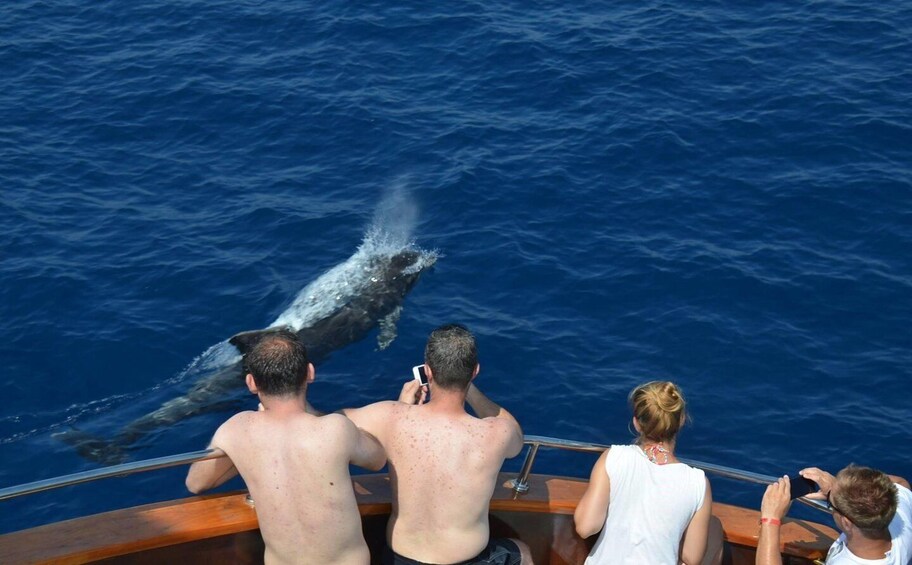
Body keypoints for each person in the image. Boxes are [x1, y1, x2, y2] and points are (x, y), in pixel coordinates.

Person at [185, 329, 386, 565]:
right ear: (310, 373)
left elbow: (195, 483)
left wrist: (244, 451)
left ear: (251, 383)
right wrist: (316, 414)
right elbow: (377, 459)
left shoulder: (235, 429)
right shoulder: (336, 428)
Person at [337, 323, 532, 565]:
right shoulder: (496, 432)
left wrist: (402, 407)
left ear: (428, 371)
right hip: (467, 560)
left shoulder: (390, 417)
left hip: (400, 559)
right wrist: (469, 389)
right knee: (522, 551)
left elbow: (334, 421)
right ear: (475, 372)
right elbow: (516, 436)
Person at [573, 381, 717, 565]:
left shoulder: (615, 457)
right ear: (681, 421)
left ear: (637, 423)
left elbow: (585, 527)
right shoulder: (698, 483)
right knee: (716, 529)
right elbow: (692, 557)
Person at [757, 466, 912, 565]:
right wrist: (837, 489)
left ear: (846, 523)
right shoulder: (900, 518)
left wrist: (771, 519)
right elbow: (901, 483)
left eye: (831, 504)